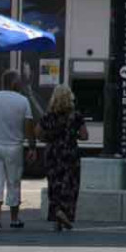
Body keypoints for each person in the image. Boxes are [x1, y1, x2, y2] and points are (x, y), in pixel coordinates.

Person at [0, 69, 36, 231]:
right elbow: (29, 126)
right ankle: (14, 218)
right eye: (19, 81)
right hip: (14, 147)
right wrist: (32, 147)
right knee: (14, 182)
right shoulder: (23, 101)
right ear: (14, 83)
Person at [36, 84, 88, 232]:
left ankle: (57, 214)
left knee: (54, 184)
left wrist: (49, 138)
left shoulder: (47, 117)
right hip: (70, 153)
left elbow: (38, 133)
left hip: (52, 153)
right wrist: (73, 135)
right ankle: (64, 212)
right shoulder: (76, 116)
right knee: (70, 185)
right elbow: (85, 135)